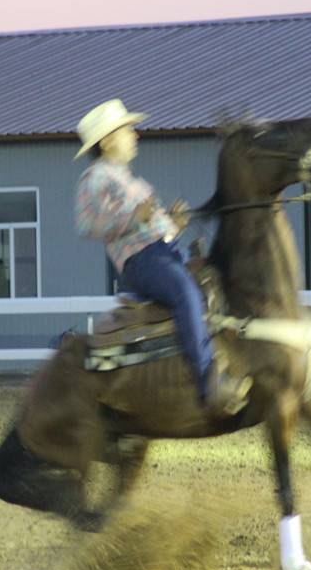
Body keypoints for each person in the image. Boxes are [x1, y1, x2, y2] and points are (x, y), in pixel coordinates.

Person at [73, 98, 250, 415]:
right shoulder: (95, 178)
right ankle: (208, 382)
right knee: (185, 293)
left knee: (213, 284)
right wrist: (132, 217)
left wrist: (173, 225)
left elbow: (150, 227)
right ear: (108, 139)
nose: (135, 135)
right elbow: (86, 225)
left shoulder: (129, 179)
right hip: (141, 262)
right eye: (128, 130)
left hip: (161, 251)